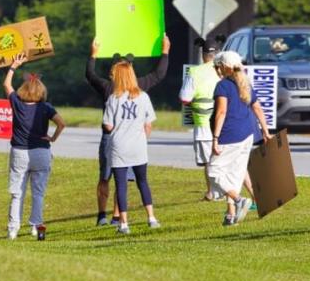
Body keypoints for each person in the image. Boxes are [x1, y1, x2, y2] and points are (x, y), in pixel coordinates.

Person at [86, 35, 170, 225]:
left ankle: (107, 216)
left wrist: (93, 55)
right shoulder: (139, 90)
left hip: (112, 138)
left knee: (108, 177)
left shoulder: (109, 89)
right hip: (133, 141)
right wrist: (165, 52)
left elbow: (90, 75)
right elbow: (159, 74)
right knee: (125, 180)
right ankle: (117, 217)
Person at [5, 53, 66, 240]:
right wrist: (52, 138)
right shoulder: (46, 107)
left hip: (20, 152)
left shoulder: (17, 103)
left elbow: (6, 85)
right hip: (41, 152)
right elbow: (62, 123)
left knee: (17, 193)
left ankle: (13, 229)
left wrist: (13, 66)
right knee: (38, 193)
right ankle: (35, 226)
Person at [210, 51, 271, 226]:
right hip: (248, 135)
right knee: (235, 175)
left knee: (213, 171)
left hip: (230, 135)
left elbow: (221, 112)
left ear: (224, 67)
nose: (216, 69)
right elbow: (258, 109)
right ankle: (231, 216)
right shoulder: (245, 83)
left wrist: (215, 138)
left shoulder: (223, 86)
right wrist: (266, 132)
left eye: (217, 66)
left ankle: (239, 200)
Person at [103, 62, 158, 234]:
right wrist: (142, 137)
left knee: (121, 185)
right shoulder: (143, 96)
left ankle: (124, 223)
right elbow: (148, 124)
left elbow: (108, 125)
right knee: (143, 181)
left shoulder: (113, 98)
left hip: (119, 146)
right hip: (138, 145)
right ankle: (151, 217)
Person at [179, 37, 222, 200]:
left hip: (204, 125)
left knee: (209, 162)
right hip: (224, 122)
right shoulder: (223, 70)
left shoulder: (195, 72)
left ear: (202, 54)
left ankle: (214, 192)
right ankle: (218, 192)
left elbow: (184, 98)